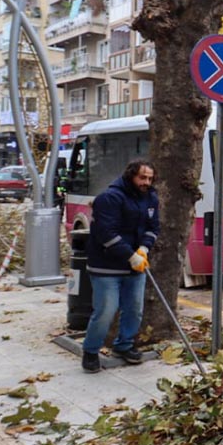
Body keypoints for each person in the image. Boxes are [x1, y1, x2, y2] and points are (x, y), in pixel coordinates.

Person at [82, 160, 159, 373]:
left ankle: (124, 346)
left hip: (136, 266)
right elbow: (105, 233)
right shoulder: (109, 198)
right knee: (106, 310)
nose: (146, 182)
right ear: (130, 176)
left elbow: (153, 227)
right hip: (106, 266)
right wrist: (130, 255)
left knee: (134, 309)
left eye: (150, 178)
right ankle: (90, 352)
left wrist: (144, 248)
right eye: (142, 177)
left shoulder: (151, 198)